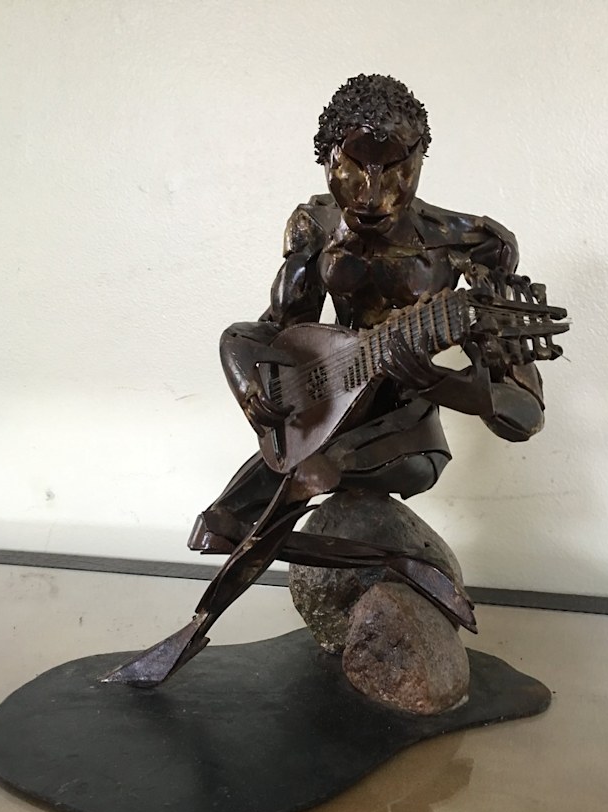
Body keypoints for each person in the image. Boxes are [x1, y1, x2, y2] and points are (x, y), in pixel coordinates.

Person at [104, 74, 551, 687]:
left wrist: (439, 384)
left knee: (302, 480)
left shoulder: (473, 248)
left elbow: (524, 414)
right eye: (352, 168)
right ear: (326, 159)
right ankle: (396, 560)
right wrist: (248, 379)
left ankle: (196, 632)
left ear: (421, 157)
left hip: (408, 436)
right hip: (332, 413)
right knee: (218, 525)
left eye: (395, 170)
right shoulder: (314, 227)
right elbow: (281, 337)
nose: (373, 193)